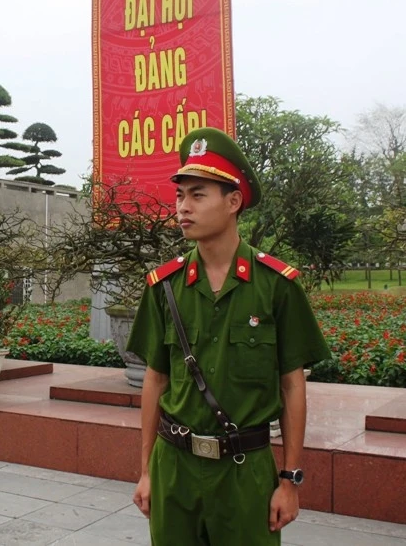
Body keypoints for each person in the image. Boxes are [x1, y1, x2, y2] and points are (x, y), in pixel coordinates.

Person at [127, 127, 331, 545]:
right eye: (180, 196)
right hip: (174, 469)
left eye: (198, 195)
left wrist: (289, 481)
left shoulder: (276, 286)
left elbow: (292, 385)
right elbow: (156, 379)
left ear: (233, 201)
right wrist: (147, 471)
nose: (183, 207)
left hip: (245, 471)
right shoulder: (164, 286)